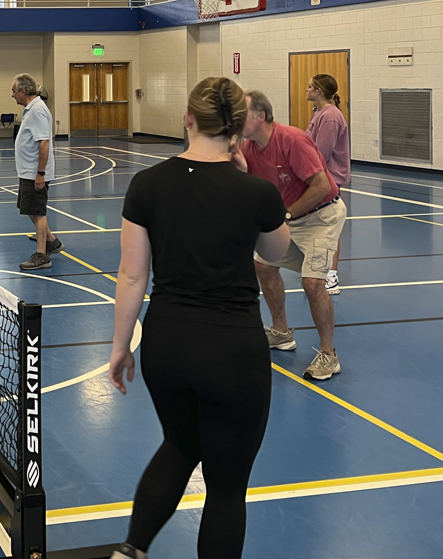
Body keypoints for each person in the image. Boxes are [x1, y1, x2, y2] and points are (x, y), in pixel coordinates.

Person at [108, 78, 290, 559]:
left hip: (167, 347)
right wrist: (250, 182)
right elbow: (276, 251)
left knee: (180, 445)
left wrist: (120, 346)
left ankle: (131, 550)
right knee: (227, 488)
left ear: (188, 118)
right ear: (236, 129)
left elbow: (131, 277)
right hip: (233, 355)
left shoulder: (146, 185)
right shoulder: (257, 192)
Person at [231, 90, 347, 381]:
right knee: (264, 264)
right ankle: (281, 333)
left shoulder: (292, 140)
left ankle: (329, 355)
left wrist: (283, 217)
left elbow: (320, 186)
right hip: (291, 217)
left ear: (260, 116)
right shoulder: (248, 148)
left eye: (241, 114)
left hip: (321, 215)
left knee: (312, 282)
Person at [305, 74, 350, 295]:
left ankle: (331, 276)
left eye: (310, 86)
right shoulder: (319, 113)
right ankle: (319, 270)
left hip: (327, 179)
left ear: (320, 91)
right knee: (315, 226)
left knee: (329, 228)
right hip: (318, 178)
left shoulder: (331, 116)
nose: (307, 89)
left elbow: (321, 152)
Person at [12, 73, 61, 270]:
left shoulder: (38, 110)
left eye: (14, 91)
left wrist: (40, 174)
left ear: (23, 91)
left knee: (38, 212)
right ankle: (51, 241)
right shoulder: (30, 109)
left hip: (35, 172)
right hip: (27, 171)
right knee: (30, 208)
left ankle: (42, 255)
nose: (13, 95)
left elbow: (44, 143)